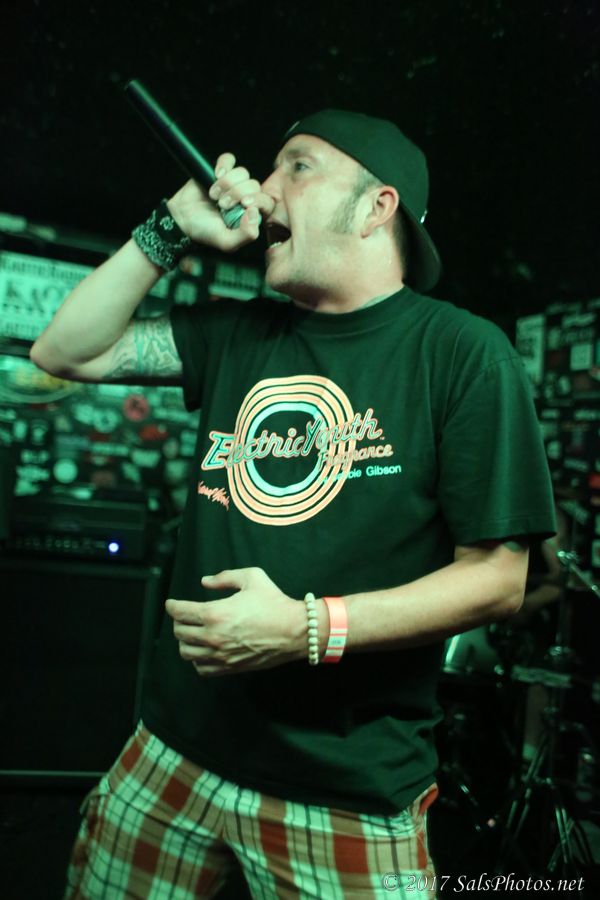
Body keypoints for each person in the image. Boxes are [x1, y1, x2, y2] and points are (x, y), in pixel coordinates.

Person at [31, 109, 556, 898]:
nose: (264, 189)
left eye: (298, 167)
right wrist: (170, 227)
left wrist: (307, 628)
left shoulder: (463, 354)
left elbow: (498, 580)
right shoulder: (242, 333)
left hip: (343, 788)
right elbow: (64, 350)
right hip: (174, 751)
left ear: (377, 205)